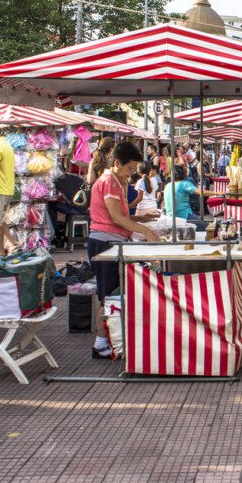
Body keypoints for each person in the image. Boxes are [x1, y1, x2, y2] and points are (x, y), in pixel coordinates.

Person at [88, 142, 159, 359]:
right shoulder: (109, 181)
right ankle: (101, 345)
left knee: (112, 293)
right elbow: (116, 218)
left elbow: (120, 216)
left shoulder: (116, 181)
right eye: (130, 168)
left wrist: (140, 218)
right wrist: (143, 229)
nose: (131, 173)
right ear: (117, 163)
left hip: (111, 241)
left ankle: (107, 341)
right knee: (108, 295)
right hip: (104, 243)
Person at [0, 125, 16, 257]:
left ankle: (1, 253)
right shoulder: (6, 144)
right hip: (6, 188)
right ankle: (14, 243)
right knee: (0, 220)